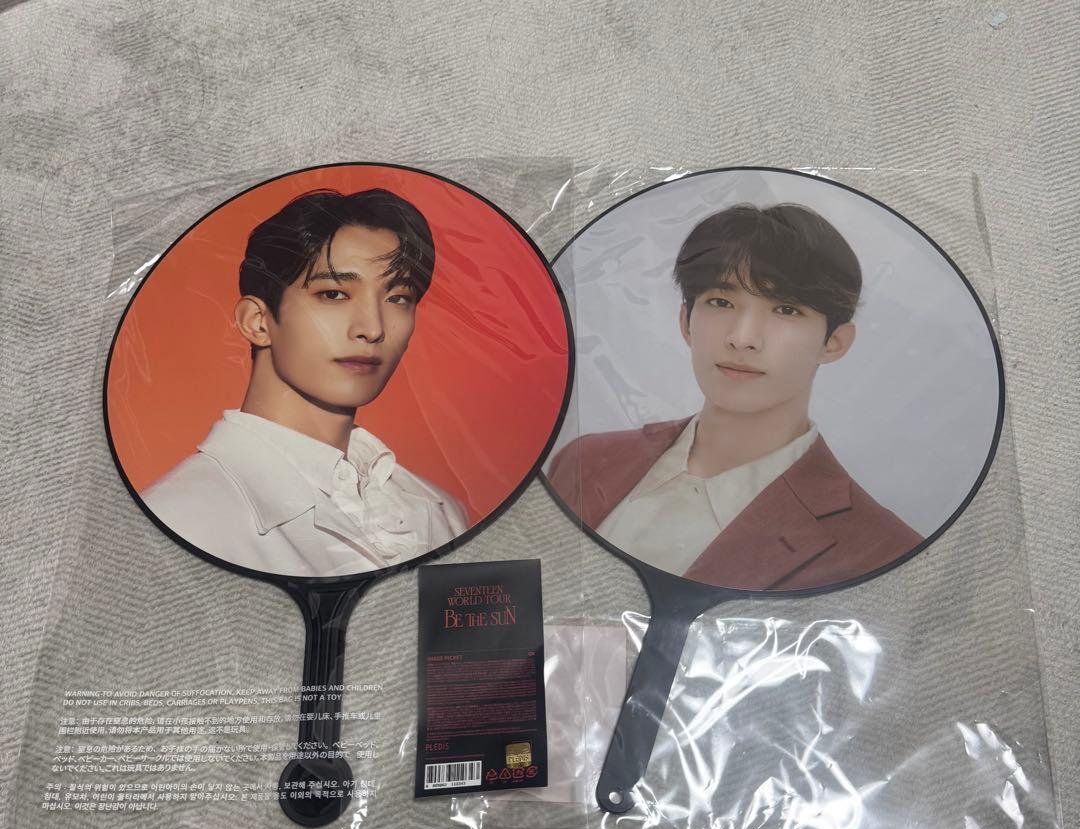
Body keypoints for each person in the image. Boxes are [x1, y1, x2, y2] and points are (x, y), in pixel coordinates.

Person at [547, 202, 922, 592]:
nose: (742, 339)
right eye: (721, 302)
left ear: (834, 342)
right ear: (686, 322)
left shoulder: (883, 548)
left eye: (786, 309)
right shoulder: (585, 459)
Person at [143, 188, 468, 577]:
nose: (372, 328)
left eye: (398, 298)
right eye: (333, 294)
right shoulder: (175, 520)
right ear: (258, 322)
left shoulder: (442, 512)